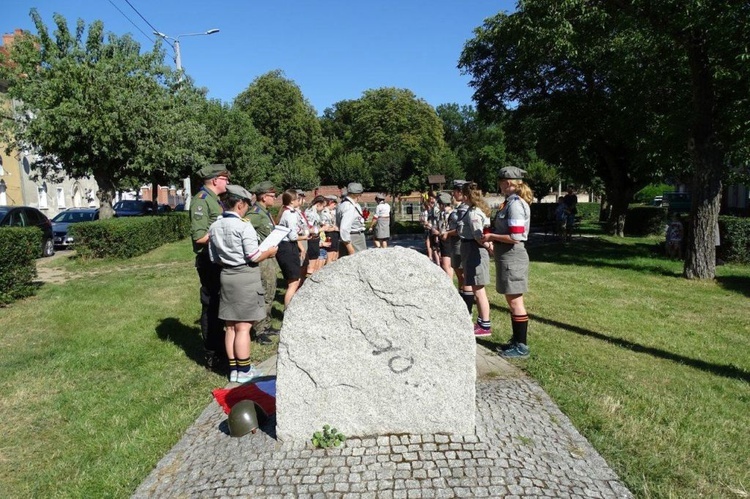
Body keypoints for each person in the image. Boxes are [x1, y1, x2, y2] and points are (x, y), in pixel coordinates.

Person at [208, 184, 278, 383]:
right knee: (244, 328)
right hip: (245, 276)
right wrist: (270, 252)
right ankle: (245, 369)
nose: (248, 208)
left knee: (230, 327)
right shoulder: (243, 225)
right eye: (246, 205)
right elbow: (254, 256)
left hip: (226, 275)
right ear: (239, 204)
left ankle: (234, 370)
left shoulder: (215, 225)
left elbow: (214, 257)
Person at [482, 166, 533, 358]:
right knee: (512, 301)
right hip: (507, 256)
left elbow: (516, 236)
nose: (499, 185)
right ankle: (516, 340)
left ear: (508, 182)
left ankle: (521, 346)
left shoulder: (515, 204)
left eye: (501, 181)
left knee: (515, 302)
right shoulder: (509, 203)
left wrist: (492, 236)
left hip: (513, 255)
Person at [190, 164, 230, 369]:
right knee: (211, 304)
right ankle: (212, 353)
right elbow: (199, 236)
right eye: (225, 179)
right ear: (215, 180)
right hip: (209, 260)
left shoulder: (216, 201)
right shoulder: (201, 201)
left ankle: (220, 346)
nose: (227, 182)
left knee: (220, 304)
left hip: (219, 258)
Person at [459, 182, 493, 337]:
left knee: (478, 290)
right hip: (470, 249)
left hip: (474, 250)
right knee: (476, 287)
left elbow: (479, 236)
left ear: (466, 195)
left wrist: (489, 247)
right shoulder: (474, 210)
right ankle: (481, 321)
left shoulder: (473, 213)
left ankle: (485, 325)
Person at [246, 181, 280, 339]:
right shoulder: (255, 214)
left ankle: (266, 324)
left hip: (270, 258)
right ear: (264, 197)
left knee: (270, 291)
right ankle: (259, 329)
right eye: (273, 196)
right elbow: (243, 231)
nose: (275, 199)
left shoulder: (265, 212)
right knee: (264, 293)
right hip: (262, 260)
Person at [442, 180, 475, 313]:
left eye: (455, 191)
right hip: (456, 243)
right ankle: (462, 304)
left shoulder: (465, 208)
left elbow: (462, 229)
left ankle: (467, 309)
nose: (453, 194)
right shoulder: (460, 207)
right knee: (460, 275)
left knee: (464, 276)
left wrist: (447, 233)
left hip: (461, 243)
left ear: (461, 192)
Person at [277, 189, 308, 308]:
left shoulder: (291, 212)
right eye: (297, 199)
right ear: (291, 201)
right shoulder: (288, 214)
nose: (299, 201)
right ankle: (288, 309)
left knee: (295, 280)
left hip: (289, 247)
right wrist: (305, 236)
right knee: (294, 282)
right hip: (287, 247)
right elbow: (293, 236)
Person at [336, 182, 367, 256]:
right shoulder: (349, 206)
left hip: (352, 237)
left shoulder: (343, 204)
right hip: (354, 238)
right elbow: (344, 228)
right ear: (358, 194)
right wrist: (350, 248)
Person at [304, 195, 328, 275]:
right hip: (311, 239)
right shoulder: (310, 213)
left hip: (315, 239)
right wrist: (322, 229)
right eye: (323, 206)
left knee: (315, 262)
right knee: (311, 265)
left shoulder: (316, 213)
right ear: (318, 204)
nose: (323, 208)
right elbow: (309, 229)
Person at [436, 191, 454, 278]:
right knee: (445, 264)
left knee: (447, 265)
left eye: (439, 203)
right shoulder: (442, 213)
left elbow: (447, 228)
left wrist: (438, 233)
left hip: (448, 240)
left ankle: (450, 285)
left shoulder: (450, 213)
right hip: (443, 240)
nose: (438, 206)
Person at [321, 195, 340, 264]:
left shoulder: (332, 212)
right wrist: (334, 228)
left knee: (335, 254)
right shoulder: (324, 212)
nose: (335, 206)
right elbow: (324, 227)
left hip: (335, 234)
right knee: (330, 255)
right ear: (330, 202)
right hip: (329, 234)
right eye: (334, 204)